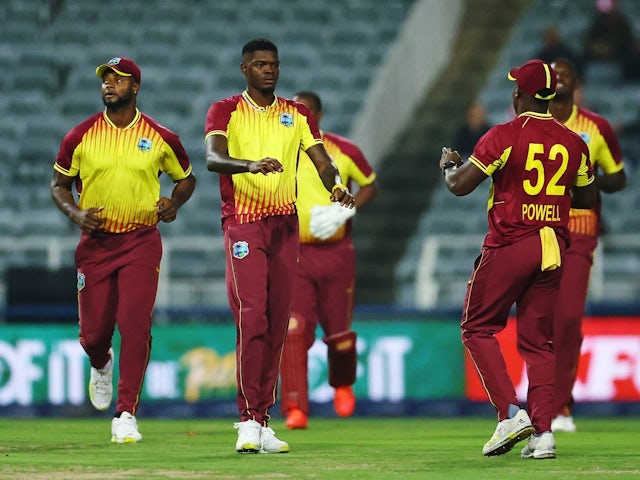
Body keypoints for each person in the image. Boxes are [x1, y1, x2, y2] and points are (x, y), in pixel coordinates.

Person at [204, 38, 355, 454]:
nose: (268, 70)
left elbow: (321, 159)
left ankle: (261, 419)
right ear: (244, 69)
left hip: (285, 225)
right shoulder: (225, 110)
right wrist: (249, 165)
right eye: (259, 64)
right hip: (245, 224)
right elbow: (213, 158)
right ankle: (246, 420)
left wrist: (337, 187)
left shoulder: (297, 113)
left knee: (275, 324)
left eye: (273, 64)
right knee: (252, 317)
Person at [439, 59, 597, 459]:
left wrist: (450, 166)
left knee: (477, 327)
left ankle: (510, 412)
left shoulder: (503, 136)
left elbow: (460, 187)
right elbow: (587, 196)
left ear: (520, 95)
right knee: (540, 344)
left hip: (512, 240)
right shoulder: (574, 141)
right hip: (553, 246)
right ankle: (542, 433)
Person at [51, 56, 196, 443]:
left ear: (136, 87)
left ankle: (126, 413)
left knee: (135, 325)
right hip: (95, 243)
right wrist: (76, 213)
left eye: (118, 80)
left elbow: (186, 178)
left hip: (140, 240)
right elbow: (58, 185)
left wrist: (174, 203)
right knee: (94, 334)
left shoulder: (161, 137)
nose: (109, 85)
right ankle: (100, 363)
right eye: (105, 79)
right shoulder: (80, 136)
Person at [279, 91, 379, 430]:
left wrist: (345, 210)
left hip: (336, 253)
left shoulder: (343, 150)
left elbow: (369, 185)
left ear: (318, 115)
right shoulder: (280, 153)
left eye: (305, 112)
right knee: (293, 330)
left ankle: (343, 384)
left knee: (339, 331)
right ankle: (296, 407)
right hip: (295, 253)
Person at [549, 57, 626, 433]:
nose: (558, 78)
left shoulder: (595, 128)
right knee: (538, 321)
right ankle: (536, 402)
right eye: (553, 73)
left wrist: (588, 182)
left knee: (566, 319)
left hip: (578, 230)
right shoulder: (531, 126)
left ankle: (560, 406)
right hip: (536, 229)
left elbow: (618, 178)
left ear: (576, 81)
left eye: (564, 73)